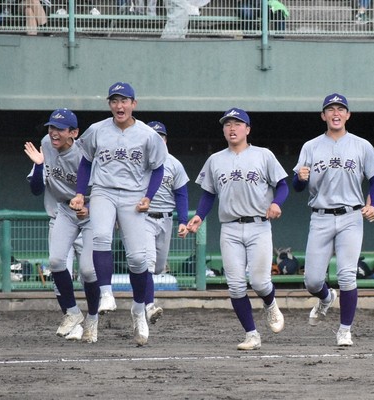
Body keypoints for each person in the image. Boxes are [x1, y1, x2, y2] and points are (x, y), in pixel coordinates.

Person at [70, 82, 168, 346]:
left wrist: (149, 195)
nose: (119, 105)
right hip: (104, 190)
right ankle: (105, 293)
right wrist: (81, 192)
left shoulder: (148, 134)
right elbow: (86, 161)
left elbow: (158, 168)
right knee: (101, 236)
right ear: (109, 104)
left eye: (124, 100)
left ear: (134, 104)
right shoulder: (97, 130)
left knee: (138, 260)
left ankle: (138, 310)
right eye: (114, 101)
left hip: (134, 196)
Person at [187, 107, 288, 351]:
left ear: (248, 129)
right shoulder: (215, 160)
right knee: (235, 285)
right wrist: (199, 215)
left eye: (237, 124)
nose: (232, 128)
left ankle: (271, 304)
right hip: (230, 227)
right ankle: (252, 334)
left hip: (258, 225)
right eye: (227, 124)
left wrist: (276, 203)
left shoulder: (263, 155)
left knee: (260, 282)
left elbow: (283, 185)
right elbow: (208, 193)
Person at [292, 93, 374, 347]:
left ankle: (344, 329)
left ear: (347, 115)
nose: (335, 113)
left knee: (347, 276)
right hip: (320, 217)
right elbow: (297, 187)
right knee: (311, 281)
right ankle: (325, 297)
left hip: (351, 216)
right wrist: (299, 178)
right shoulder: (311, 146)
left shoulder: (361, 145)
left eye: (340, 109)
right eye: (330, 109)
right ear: (323, 115)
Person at [24, 108, 101, 343]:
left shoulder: (84, 155)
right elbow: (36, 189)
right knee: (56, 262)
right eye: (51, 127)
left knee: (88, 271)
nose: (53, 132)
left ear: (74, 133)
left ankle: (93, 319)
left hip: (90, 211)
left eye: (60, 128)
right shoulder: (46, 143)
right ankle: (72, 313)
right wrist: (38, 165)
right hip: (65, 211)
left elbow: (104, 188)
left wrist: (93, 206)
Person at [143, 121, 190, 325]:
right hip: (142, 217)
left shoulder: (174, 163)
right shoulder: (139, 160)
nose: (158, 140)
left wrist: (183, 220)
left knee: (158, 267)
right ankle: (148, 306)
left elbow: (181, 194)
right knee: (147, 262)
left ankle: (142, 298)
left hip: (166, 218)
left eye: (161, 136)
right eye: (154, 136)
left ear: (165, 139)